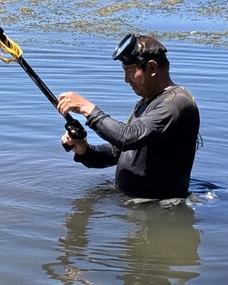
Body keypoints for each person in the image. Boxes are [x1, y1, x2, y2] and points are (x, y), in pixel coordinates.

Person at [57, 34, 200, 200]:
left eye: (130, 72)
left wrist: (86, 108)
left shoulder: (175, 104)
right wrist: (85, 150)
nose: (126, 79)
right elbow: (119, 151)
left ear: (152, 68)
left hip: (160, 209)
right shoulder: (148, 102)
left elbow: (128, 137)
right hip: (135, 204)